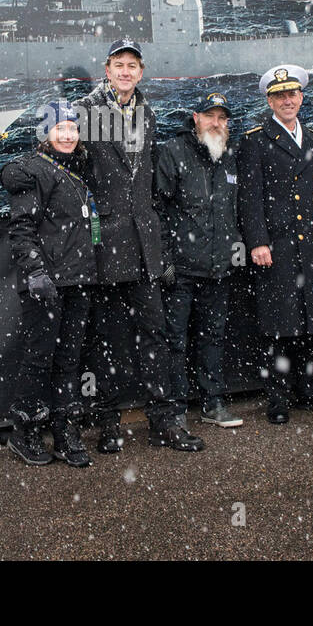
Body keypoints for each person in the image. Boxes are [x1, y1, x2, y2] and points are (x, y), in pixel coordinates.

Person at [75, 39, 204, 453]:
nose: (126, 71)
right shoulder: (87, 111)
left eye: (133, 65)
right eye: (119, 65)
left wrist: (159, 243)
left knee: (156, 335)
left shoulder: (146, 113)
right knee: (109, 338)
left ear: (141, 71)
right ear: (106, 69)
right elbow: (75, 172)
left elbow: (144, 182)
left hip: (145, 245)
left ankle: (164, 421)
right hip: (106, 242)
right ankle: (109, 422)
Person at [237, 64, 313, 423]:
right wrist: (257, 242)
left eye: (292, 94)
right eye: (279, 95)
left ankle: (312, 390)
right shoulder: (255, 140)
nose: (287, 100)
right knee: (278, 326)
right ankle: (278, 398)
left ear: (301, 97)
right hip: (278, 247)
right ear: (269, 100)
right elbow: (249, 198)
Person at [0, 101, 98, 466]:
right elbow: (21, 228)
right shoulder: (33, 171)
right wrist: (36, 271)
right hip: (46, 284)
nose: (69, 134)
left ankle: (65, 431)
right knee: (40, 359)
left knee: (69, 360)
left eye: (73, 127)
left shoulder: (75, 170)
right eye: (61, 128)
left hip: (78, 280)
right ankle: (23, 432)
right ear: (46, 133)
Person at [155, 91, 244, 428]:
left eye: (222, 117)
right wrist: (164, 261)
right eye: (210, 116)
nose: (216, 123)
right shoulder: (173, 152)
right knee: (174, 340)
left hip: (218, 269)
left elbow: (233, 211)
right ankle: (175, 407)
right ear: (195, 117)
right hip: (180, 270)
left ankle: (213, 403)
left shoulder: (229, 156)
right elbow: (157, 210)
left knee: (214, 337)